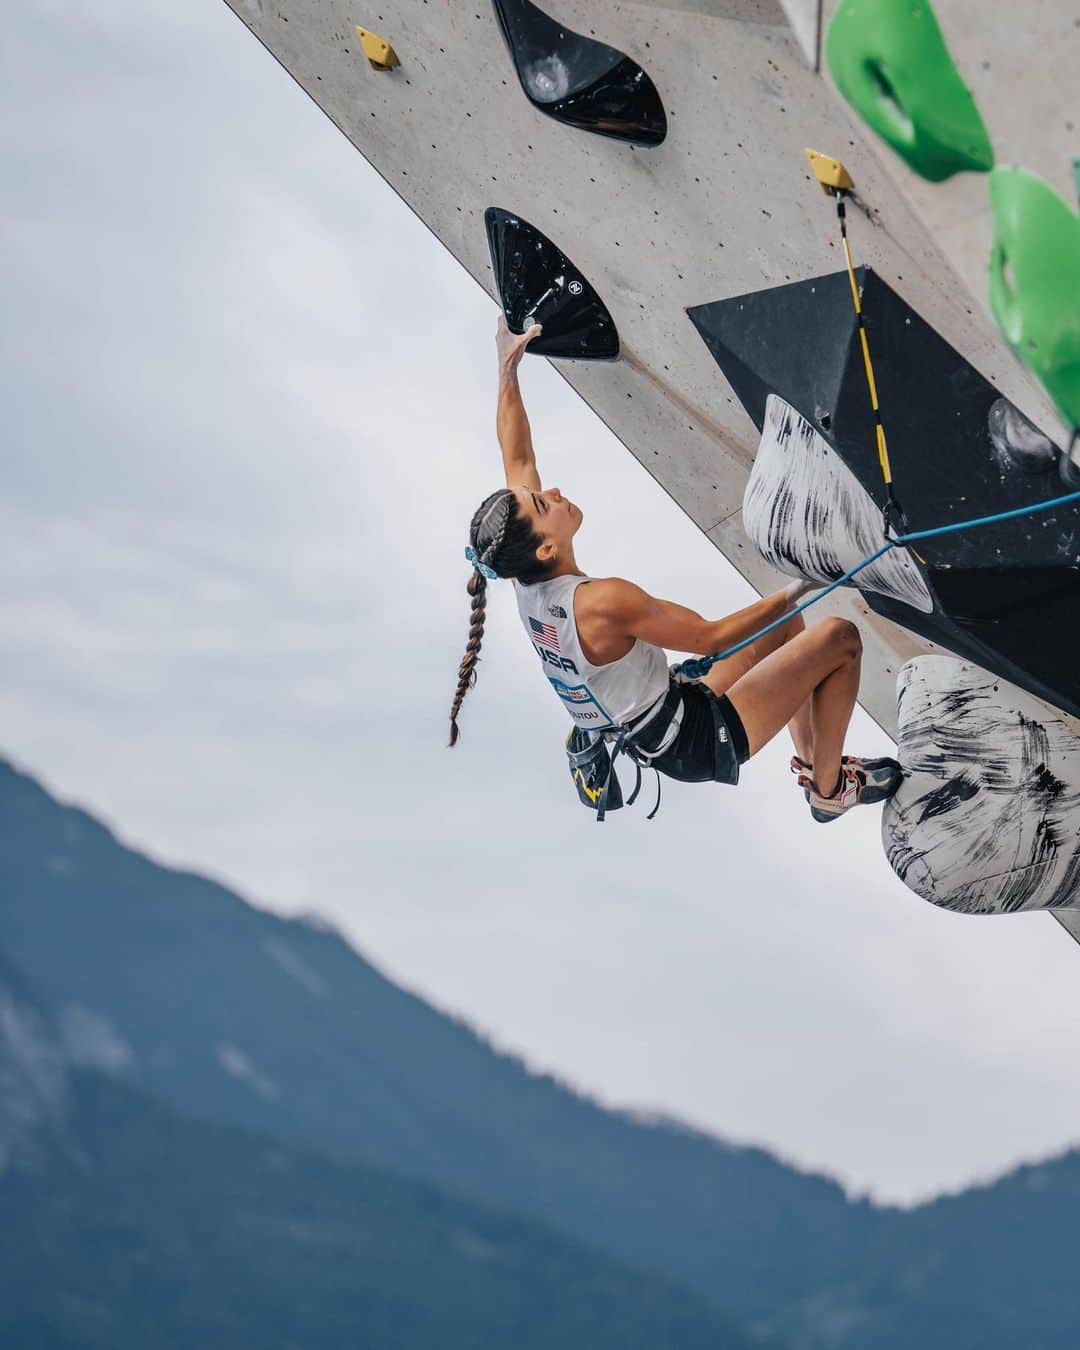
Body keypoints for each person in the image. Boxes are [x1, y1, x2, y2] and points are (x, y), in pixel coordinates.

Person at [448, 317, 901, 822]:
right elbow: (711, 638)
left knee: (784, 628)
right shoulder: (601, 602)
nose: (552, 493)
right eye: (542, 504)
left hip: (671, 703)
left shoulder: (521, 568)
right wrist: (805, 581)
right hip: (693, 740)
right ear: (546, 550)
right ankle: (830, 788)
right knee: (840, 638)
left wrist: (506, 368)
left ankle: (818, 759)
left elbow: (517, 457)